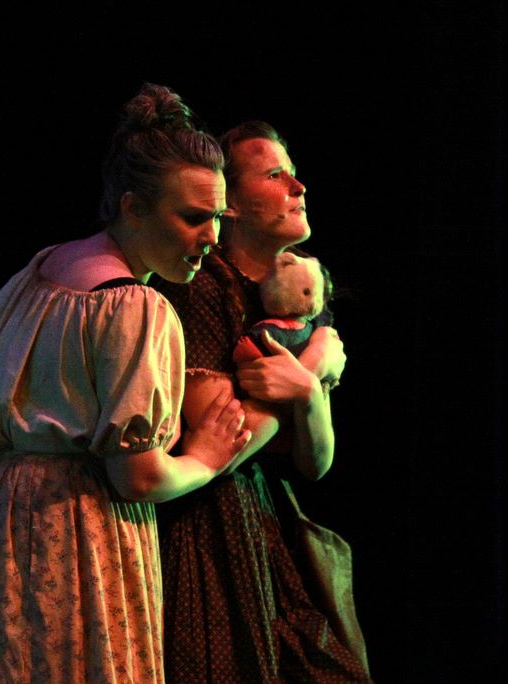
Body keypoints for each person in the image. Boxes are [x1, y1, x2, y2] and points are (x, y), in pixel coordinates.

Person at [0, 84, 252, 683]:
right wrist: (206, 458)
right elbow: (139, 477)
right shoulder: (136, 307)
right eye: (193, 217)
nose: (211, 237)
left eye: (218, 218)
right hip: (71, 529)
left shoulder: (46, 266)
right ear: (132, 208)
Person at [154, 121, 370, 682]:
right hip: (205, 528)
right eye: (275, 175)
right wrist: (310, 371)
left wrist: (309, 394)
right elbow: (219, 441)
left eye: (292, 173)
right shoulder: (199, 284)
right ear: (229, 204)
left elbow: (315, 464)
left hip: (273, 524)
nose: (298, 187)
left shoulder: (302, 293)